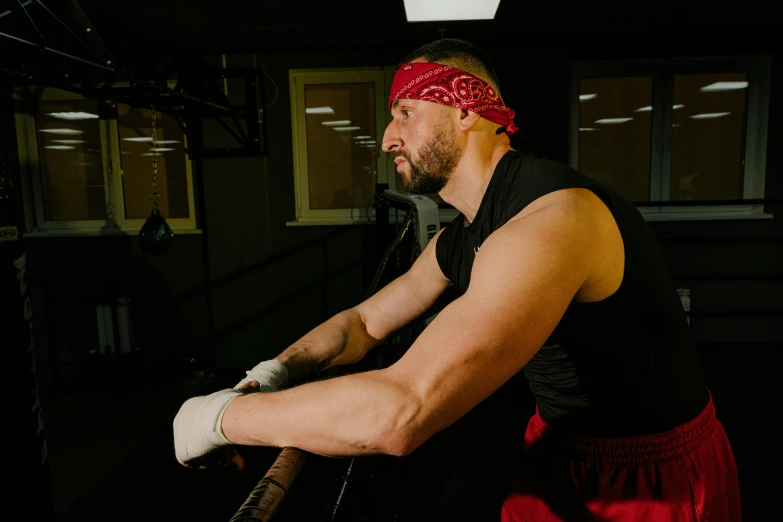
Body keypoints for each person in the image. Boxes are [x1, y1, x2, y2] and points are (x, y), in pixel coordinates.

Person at [174, 38, 741, 521]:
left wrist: (214, 419)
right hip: (555, 446)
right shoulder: (464, 236)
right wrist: (272, 373)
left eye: (404, 113)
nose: (389, 138)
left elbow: (402, 412)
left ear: (466, 108)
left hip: (647, 476)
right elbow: (366, 321)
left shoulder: (552, 222)